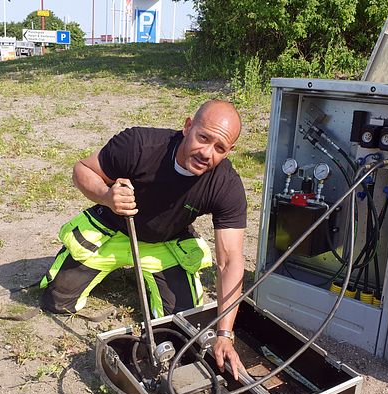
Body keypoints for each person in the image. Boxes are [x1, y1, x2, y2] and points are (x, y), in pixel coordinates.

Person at [39, 100, 247, 379]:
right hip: (115, 228)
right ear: (187, 127)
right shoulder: (140, 144)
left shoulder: (226, 185)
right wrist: (106, 196)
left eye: (219, 148)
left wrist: (224, 333)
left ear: (229, 151)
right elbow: (82, 170)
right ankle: (88, 267)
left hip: (165, 242)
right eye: (203, 138)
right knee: (57, 300)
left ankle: (150, 278)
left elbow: (230, 260)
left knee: (179, 327)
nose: (206, 153)